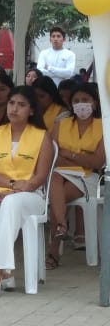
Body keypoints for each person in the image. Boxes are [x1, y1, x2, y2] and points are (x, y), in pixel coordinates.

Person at [0, 85, 53, 297]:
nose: (14, 108)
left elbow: (41, 175)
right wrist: (12, 184)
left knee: (11, 203)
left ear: (31, 110)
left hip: (31, 195)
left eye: (21, 105)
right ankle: (5, 270)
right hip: (0, 190)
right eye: (11, 103)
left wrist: (25, 186)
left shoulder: (42, 136)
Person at [47, 83, 105, 269]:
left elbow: (98, 162)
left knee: (57, 197)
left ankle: (54, 250)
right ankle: (62, 225)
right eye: (76, 101)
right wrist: (81, 159)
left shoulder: (103, 126)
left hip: (89, 178)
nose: (81, 104)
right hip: (61, 173)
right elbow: (53, 157)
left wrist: (70, 155)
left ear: (94, 103)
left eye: (85, 100)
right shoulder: (62, 124)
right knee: (55, 178)